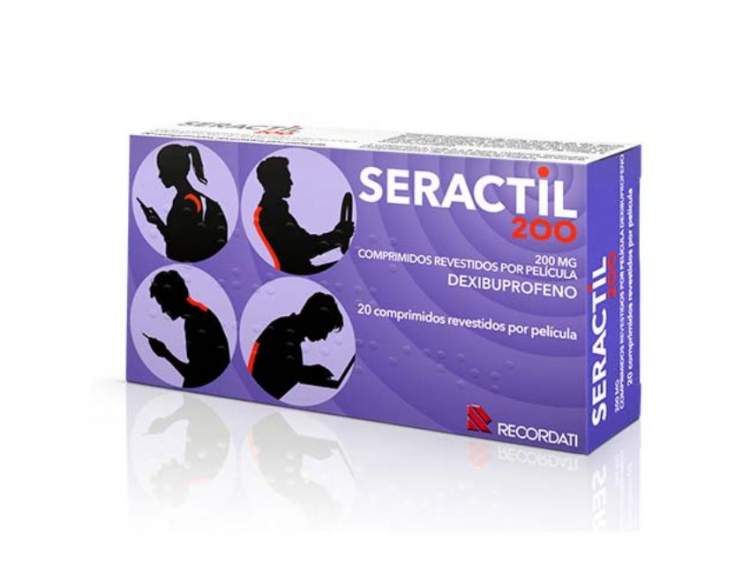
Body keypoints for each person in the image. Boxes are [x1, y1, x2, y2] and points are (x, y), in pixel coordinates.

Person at [253, 156, 354, 274]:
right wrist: (339, 235)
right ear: (274, 182)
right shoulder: (271, 213)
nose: (291, 183)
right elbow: (304, 248)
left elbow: (303, 241)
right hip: (298, 271)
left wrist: (337, 234)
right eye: (286, 178)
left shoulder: (274, 210)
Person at [247, 292, 351, 400]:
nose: (324, 337)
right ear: (316, 320)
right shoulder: (285, 332)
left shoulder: (285, 328)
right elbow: (282, 372)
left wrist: (308, 372)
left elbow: (284, 369)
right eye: (325, 329)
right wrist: (310, 372)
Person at [138, 144, 228, 262]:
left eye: (162, 170)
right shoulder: (189, 199)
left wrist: (159, 224)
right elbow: (180, 239)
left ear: (172, 170)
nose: (160, 175)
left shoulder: (189, 201)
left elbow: (180, 245)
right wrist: (157, 222)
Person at [144, 270, 230, 388]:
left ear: (174, 297)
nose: (163, 310)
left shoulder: (196, 321)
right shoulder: (199, 314)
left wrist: (165, 353)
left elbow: (193, 375)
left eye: (163, 303)